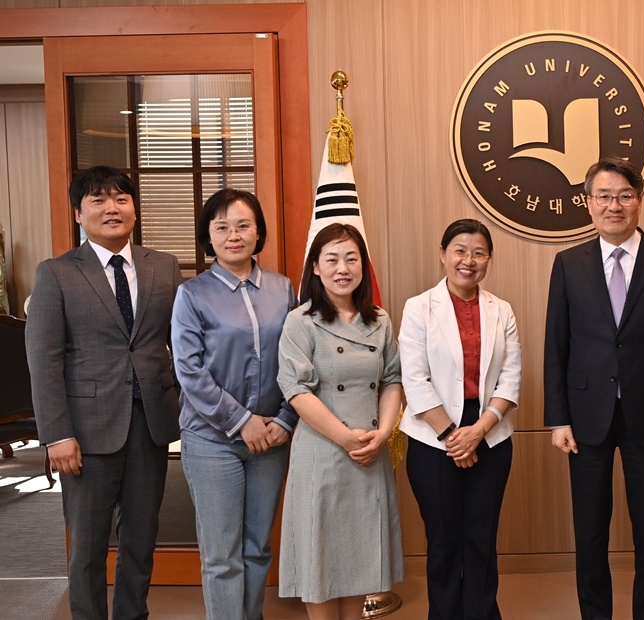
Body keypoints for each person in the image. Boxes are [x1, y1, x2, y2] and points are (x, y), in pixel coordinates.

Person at [544, 156, 644, 620]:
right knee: (589, 531)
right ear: (588, 203)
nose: (615, 205)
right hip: (585, 416)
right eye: (605, 196)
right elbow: (556, 345)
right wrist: (558, 418)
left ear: (640, 201)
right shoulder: (568, 263)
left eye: (625, 196)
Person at [27, 166, 184, 619]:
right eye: (98, 200)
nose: (111, 208)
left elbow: (182, 341)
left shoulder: (163, 266)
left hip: (151, 424)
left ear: (134, 208)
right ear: (79, 212)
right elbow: (44, 359)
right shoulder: (56, 273)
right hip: (85, 433)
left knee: (140, 539)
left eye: (121, 198)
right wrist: (56, 435)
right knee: (89, 547)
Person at [172, 189, 297, 620]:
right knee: (222, 555)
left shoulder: (283, 289)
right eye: (222, 227)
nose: (234, 235)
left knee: (257, 547)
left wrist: (285, 418)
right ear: (208, 235)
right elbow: (189, 373)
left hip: (272, 438)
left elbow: (300, 360)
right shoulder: (192, 295)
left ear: (258, 230)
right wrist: (242, 421)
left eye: (243, 225)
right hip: (212, 440)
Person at [276, 223, 404, 620]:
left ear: (363, 266)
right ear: (315, 267)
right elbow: (295, 390)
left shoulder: (379, 320)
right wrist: (347, 438)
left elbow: (393, 379)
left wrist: (383, 433)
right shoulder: (301, 321)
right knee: (321, 554)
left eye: (351, 258)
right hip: (324, 450)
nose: (342, 268)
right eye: (331, 259)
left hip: (371, 449)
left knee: (359, 556)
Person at [399, 218, 521, 620]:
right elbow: (413, 380)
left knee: (482, 537)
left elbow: (511, 378)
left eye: (479, 252)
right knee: (445, 540)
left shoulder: (501, 310)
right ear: (443, 254)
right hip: (433, 435)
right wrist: (454, 436)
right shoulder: (418, 308)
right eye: (460, 250)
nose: (469, 260)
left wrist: (479, 432)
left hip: (490, 431)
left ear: (489, 259)